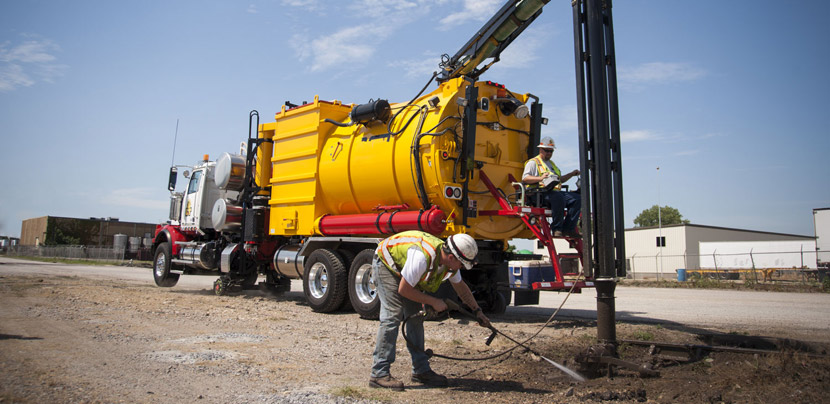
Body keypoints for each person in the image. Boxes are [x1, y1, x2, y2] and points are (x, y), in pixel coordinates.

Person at [369, 230, 490, 391]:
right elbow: (404, 290)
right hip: (387, 265)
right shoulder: (422, 257)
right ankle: (379, 373)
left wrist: (477, 311)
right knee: (392, 316)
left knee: (415, 318)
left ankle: (421, 371)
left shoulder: (450, 263)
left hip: (406, 270)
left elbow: (461, 288)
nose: (461, 268)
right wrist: (433, 301)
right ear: (452, 257)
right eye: (461, 264)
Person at [522, 137, 581, 237]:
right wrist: (540, 178)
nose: (549, 153)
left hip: (553, 192)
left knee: (577, 199)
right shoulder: (533, 162)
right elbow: (525, 178)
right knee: (558, 197)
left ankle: (568, 229)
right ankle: (557, 229)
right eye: (547, 151)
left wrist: (571, 174)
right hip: (538, 194)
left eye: (551, 151)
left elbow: (559, 180)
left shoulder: (551, 164)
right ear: (541, 149)